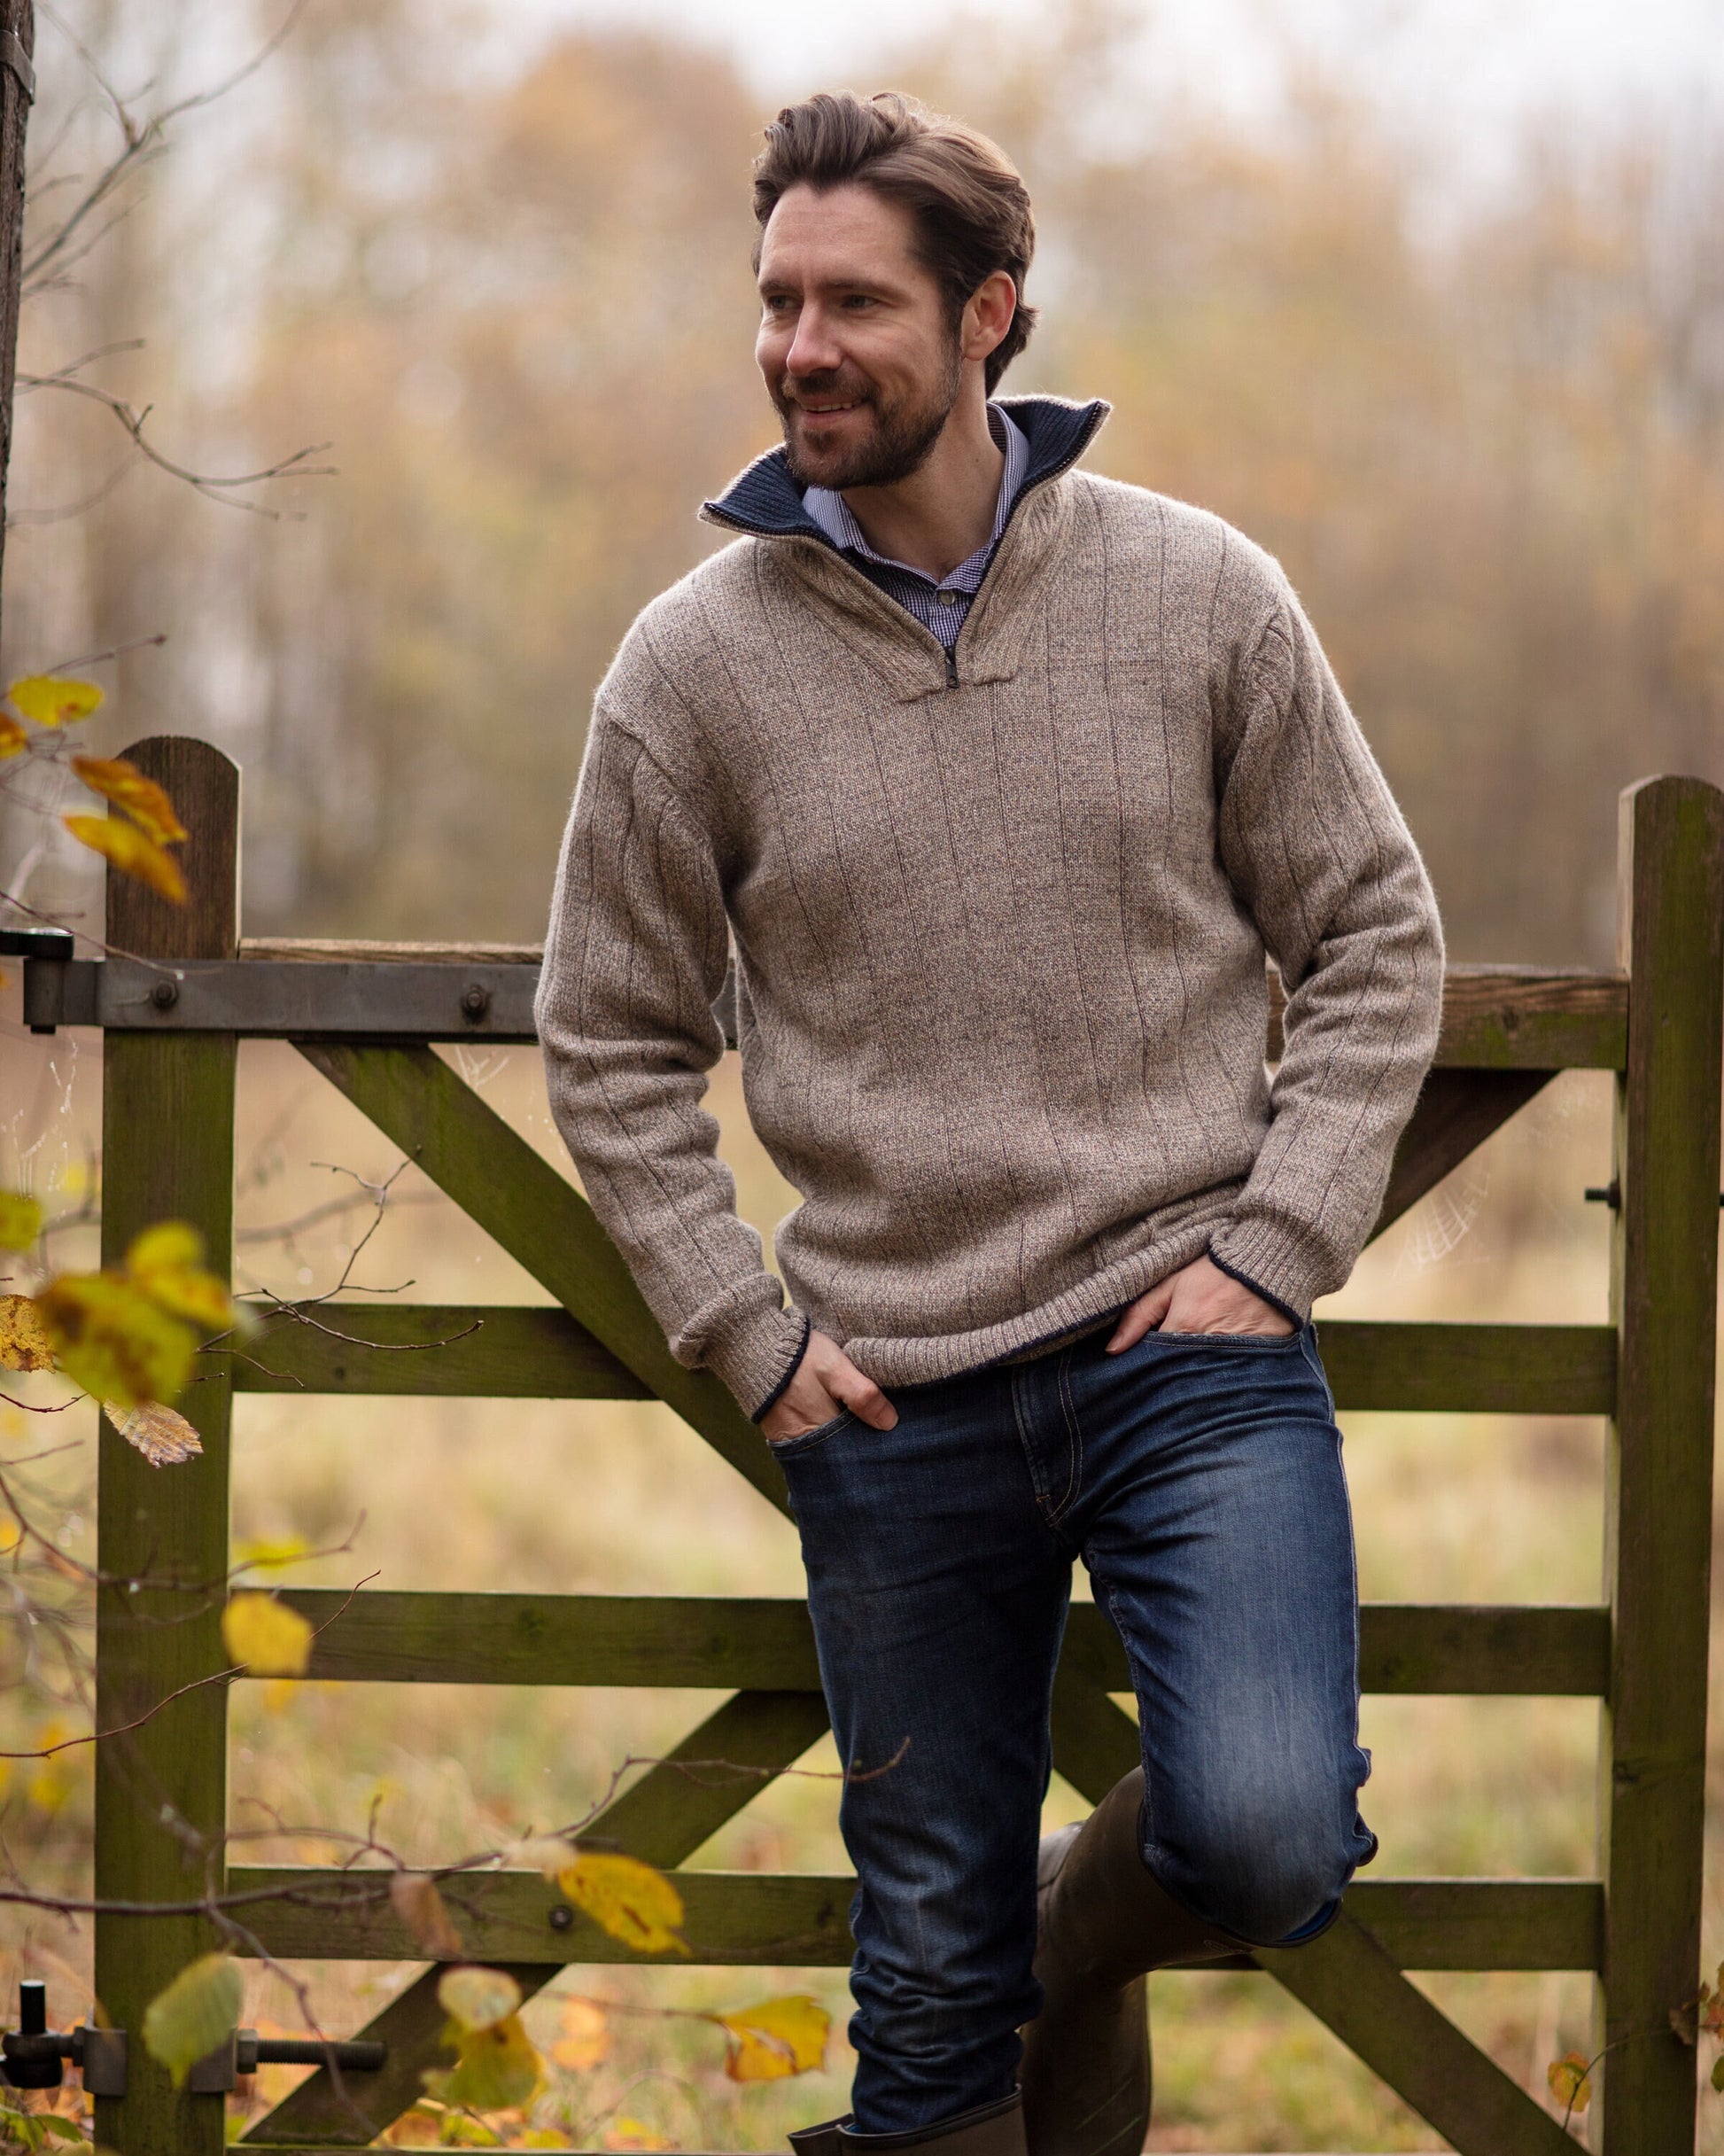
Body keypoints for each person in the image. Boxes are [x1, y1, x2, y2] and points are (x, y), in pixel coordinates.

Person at [536, 88, 1444, 2156]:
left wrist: (1273, 1239)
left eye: (852, 300)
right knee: (922, 1973)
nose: (796, 346)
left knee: (1266, 1830)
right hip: (888, 1387)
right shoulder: (689, 674)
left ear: (989, 315)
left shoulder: (1201, 594)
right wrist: (745, 1331)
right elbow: (606, 1037)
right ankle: (984, 1985)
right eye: (775, 300)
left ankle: (1066, 1921)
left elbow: (1375, 929)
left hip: (1183, 1349)